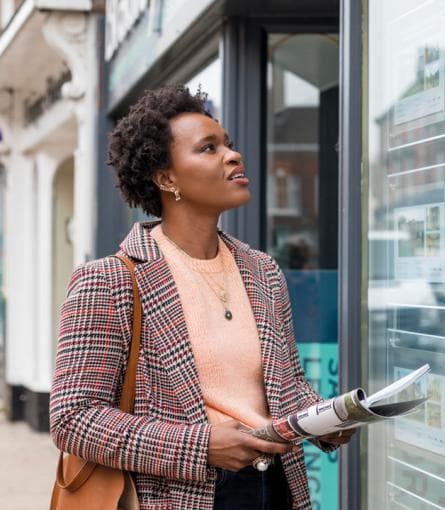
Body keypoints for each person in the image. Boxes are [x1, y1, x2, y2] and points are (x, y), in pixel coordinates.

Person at [49, 85, 353, 510]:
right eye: (209, 148)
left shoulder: (263, 271)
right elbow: (74, 418)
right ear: (166, 178)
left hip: (278, 486)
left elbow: (284, 386)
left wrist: (326, 417)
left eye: (228, 144)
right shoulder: (109, 281)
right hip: (183, 494)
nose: (232, 155)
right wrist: (200, 445)